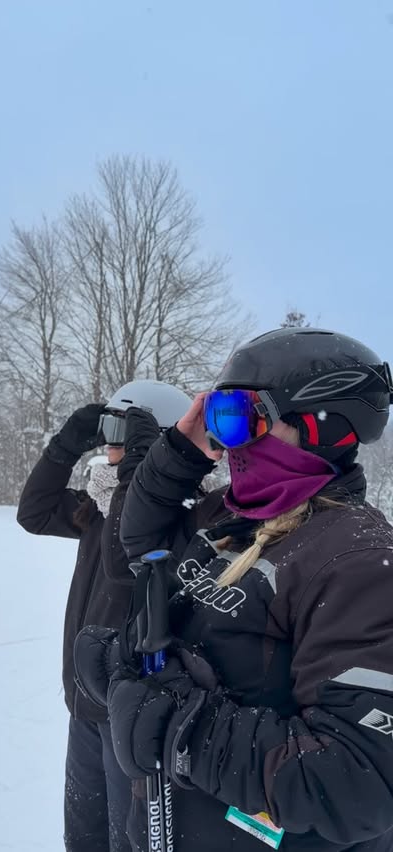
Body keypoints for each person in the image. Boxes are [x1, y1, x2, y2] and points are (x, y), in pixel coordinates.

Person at [75, 327, 393, 851]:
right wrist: (180, 448)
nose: (225, 446)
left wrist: (182, 729)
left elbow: (358, 781)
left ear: (322, 425)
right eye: (218, 418)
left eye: (239, 418)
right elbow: (140, 541)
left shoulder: (357, 560)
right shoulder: (231, 515)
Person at [16, 379, 191, 852]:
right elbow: (33, 513)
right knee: (83, 838)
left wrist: (144, 469)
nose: (112, 446)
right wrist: (65, 446)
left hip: (131, 720)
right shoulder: (96, 508)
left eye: (125, 434)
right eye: (109, 432)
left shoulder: (179, 518)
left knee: (124, 842)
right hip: (84, 706)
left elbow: (123, 562)